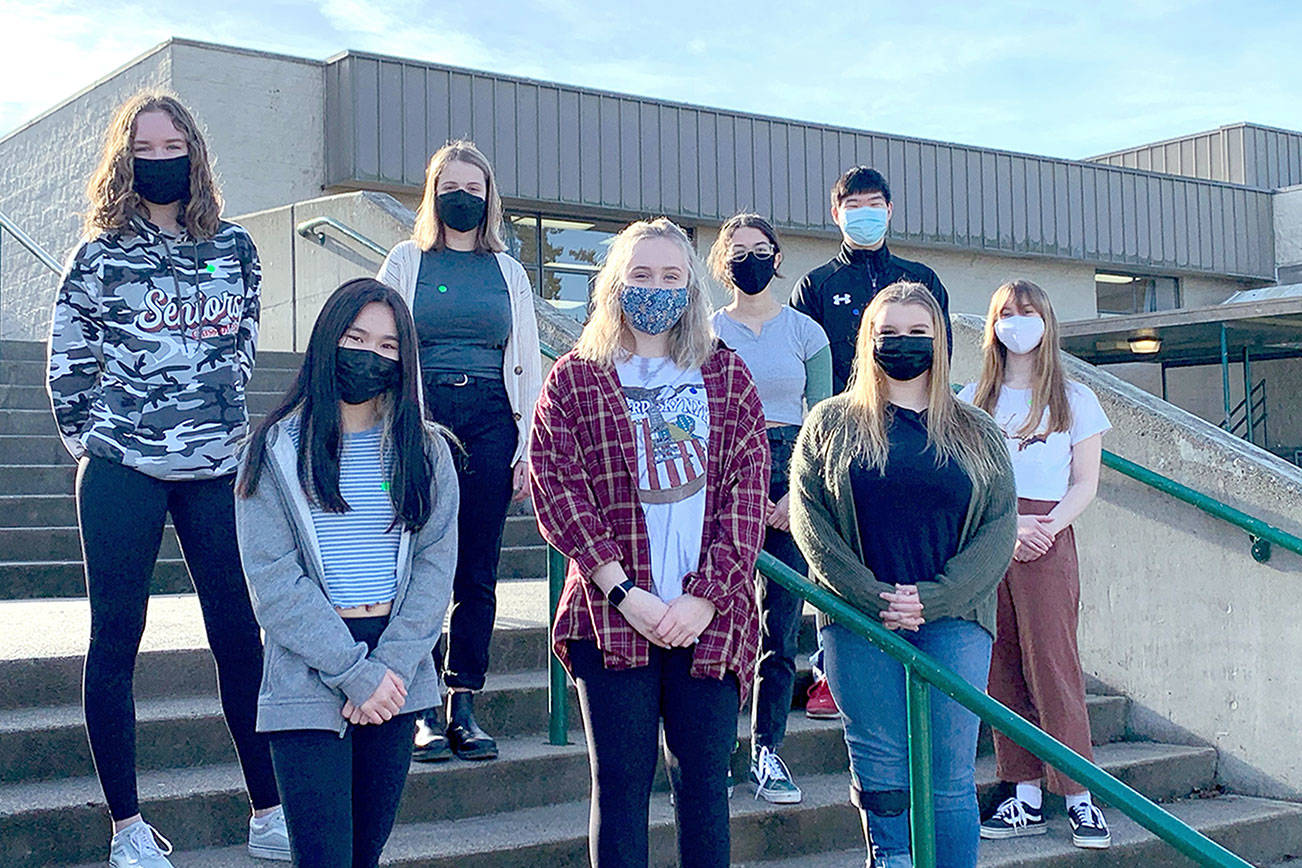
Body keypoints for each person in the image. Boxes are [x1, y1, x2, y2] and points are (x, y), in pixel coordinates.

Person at [46, 91, 286, 867]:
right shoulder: (99, 254)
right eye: (143, 148)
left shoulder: (237, 249)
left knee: (240, 639)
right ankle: (126, 828)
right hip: (123, 469)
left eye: (171, 143)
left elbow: (243, 347)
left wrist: (209, 422)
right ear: (124, 158)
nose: (160, 159)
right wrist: (107, 444)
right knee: (115, 640)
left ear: (196, 151)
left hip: (216, 469)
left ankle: (270, 810)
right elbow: (68, 367)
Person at [530, 218, 767, 868]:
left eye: (669, 275)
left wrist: (706, 601)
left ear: (691, 285)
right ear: (613, 283)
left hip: (710, 622)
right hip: (610, 620)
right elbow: (557, 489)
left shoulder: (725, 376)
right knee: (620, 786)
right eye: (640, 274)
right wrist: (624, 591)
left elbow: (747, 498)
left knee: (704, 794)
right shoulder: (577, 378)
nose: (654, 288)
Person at [790, 282, 1017, 868]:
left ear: (940, 341)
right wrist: (873, 596)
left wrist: (935, 597)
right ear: (867, 340)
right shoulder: (830, 424)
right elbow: (811, 524)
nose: (903, 343)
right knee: (883, 775)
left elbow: (997, 532)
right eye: (889, 332)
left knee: (948, 779)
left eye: (919, 332)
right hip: (857, 623)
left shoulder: (977, 431)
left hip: (955, 623)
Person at [235, 278, 458, 866]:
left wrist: (386, 667)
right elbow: (274, 580)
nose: (371, 355)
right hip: (310, 665)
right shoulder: (275, 448)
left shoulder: (426, 450)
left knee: (366, 854)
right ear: (328, 339)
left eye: (389, 347)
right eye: (357, 338)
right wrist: (352, 671)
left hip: (396, 669)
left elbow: (436, 567)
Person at [376, 140, 542, 762]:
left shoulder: (509, 272)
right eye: (451, 186)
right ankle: (416, 706)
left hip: (490, 426)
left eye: (475, 189)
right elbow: (379, 344)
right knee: (415, 562)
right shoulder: (405, 261)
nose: (462, 198)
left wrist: (525, 446)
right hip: (423, 420)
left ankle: (462, 704)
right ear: (432, 192)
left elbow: (525, 362)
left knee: (476, 570)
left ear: (489, 198)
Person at [789, 165, 952, 718]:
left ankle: (922, 647)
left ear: (890, 209)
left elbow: (942, 361)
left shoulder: (921, 279)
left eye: (875, 202)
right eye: (853, 204)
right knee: (836, 556)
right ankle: (827, 672)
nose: (865, 212)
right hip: (845, 444)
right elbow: (802, 370)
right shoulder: (815, 286)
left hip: (916, 437)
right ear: (836, 214)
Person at [959, 280, 1112, 850]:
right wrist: (1006, 527)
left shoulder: (1075, 399)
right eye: (1005, 314)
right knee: (1002, 665)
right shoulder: (975, 398)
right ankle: (1021, 789)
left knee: (1053, 660)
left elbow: (1085, 481)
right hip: (993, 536)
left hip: (1050, 536)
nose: (1016, 324)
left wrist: (1045, 528)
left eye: (1027, 314)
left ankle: (1079, 795)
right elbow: (968, 479)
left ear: (1046, 322)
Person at [707, 213, 831, 805]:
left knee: (779, 626)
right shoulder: (701, 331)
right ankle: (705, 752)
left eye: (761, 249)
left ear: (778, 258)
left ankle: (767, 748)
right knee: (713, 618)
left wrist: (792, 496)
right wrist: (744, 498)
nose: (749, 258)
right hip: (720, 472)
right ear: (720, 261)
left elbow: (826, 424)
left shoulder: (807, 332)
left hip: (790, 469)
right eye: (738, 249)